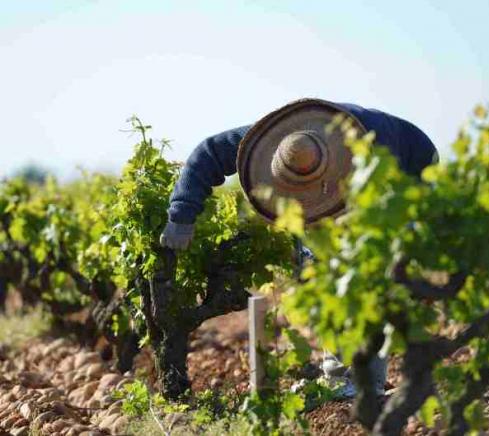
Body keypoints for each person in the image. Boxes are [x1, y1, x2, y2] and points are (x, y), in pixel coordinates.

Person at [160, 98, 439, 399]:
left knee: (363, 279)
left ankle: (362, 382)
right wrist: (181, 214)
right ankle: (341, 373)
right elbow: (208, 152)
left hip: (411, 170)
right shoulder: (275, 141)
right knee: (317, 267)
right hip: (347, 177)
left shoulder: (372, 152)